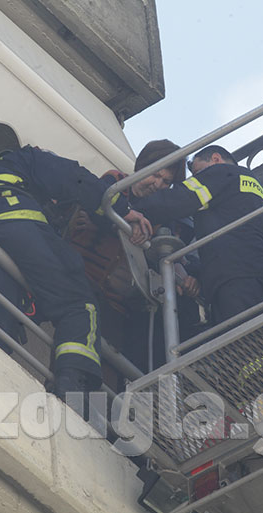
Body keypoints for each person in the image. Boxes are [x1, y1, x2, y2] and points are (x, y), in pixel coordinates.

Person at [0, 145, 151, 399]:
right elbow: (71, 177)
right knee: (79, 304)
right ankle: (72, 387)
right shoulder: (28, 158)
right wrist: (122, 210)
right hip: (16, 220)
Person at [66, 139, 201, 371]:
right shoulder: (115, 182)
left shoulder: (163, 218)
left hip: (115, 304)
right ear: (143, 166)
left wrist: (188, 279)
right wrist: (121, 223)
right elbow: (94, 204)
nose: (158, 184)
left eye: (166, 182)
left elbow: (169, 256)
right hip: (76, 277)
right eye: (156, 175)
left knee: (106, 364)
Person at [132, 145, 263, 326]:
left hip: (235, 282)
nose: (197, 179)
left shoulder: (224, 172)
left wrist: (131, 211)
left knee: (238, 338)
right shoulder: (261, 198)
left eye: (198, 173)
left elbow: (179, 199)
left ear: (216, 159)